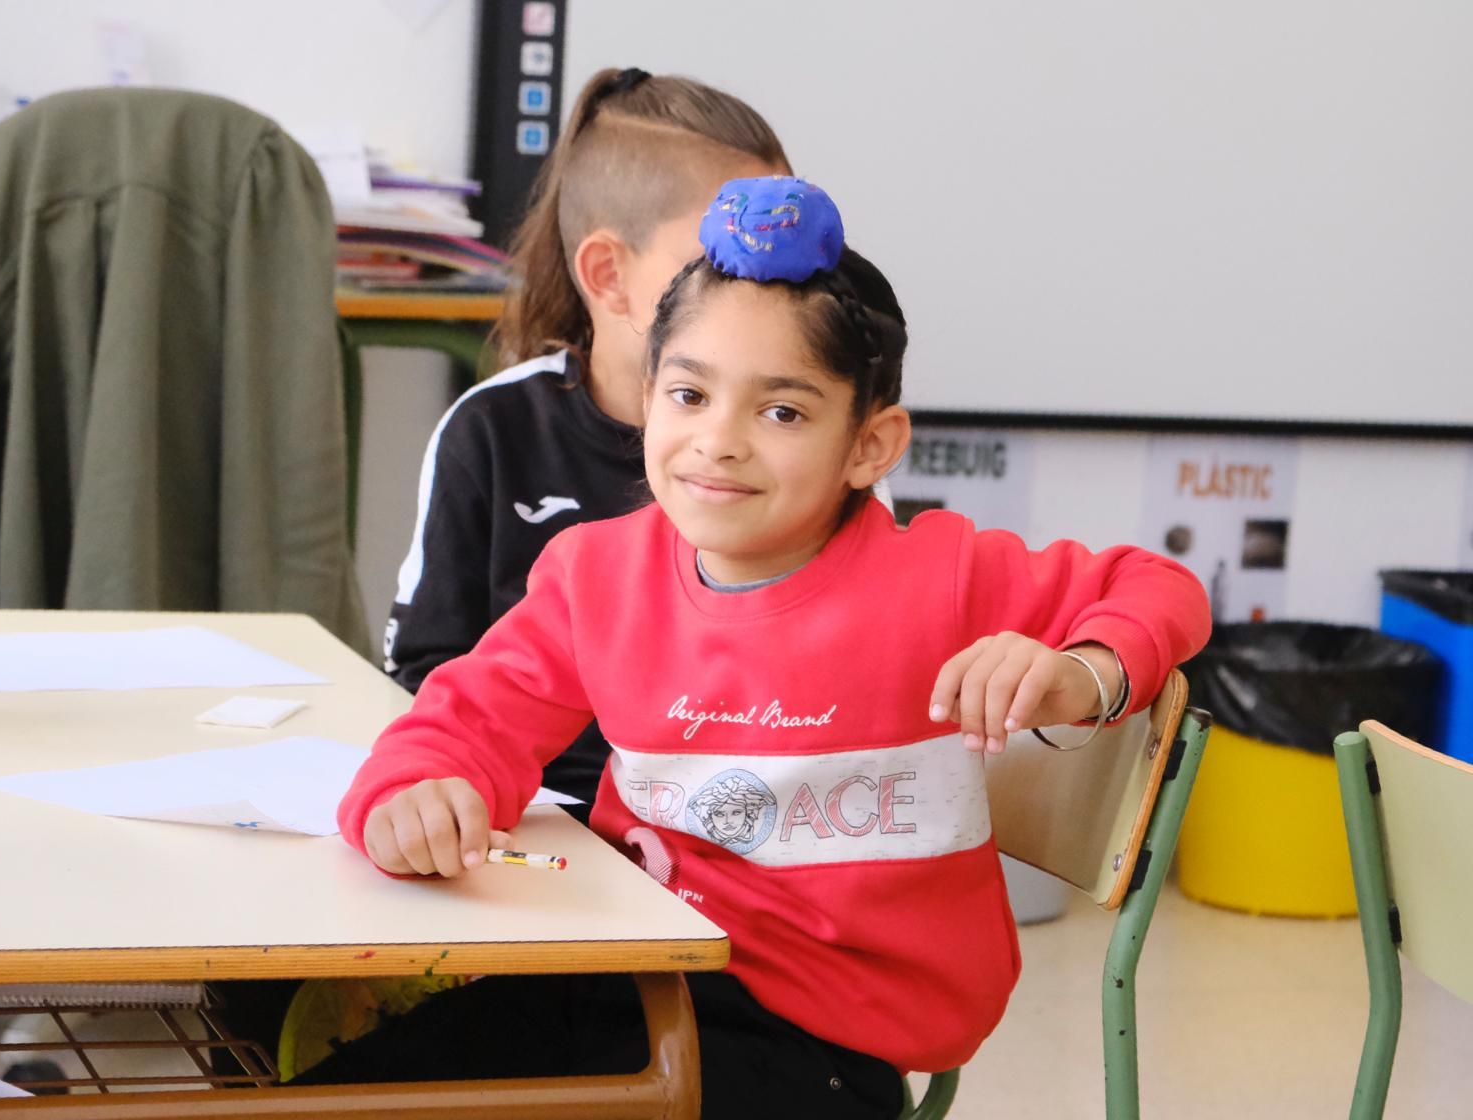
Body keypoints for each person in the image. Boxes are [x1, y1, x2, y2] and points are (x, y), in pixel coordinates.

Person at [311, 177, 1212, 1118]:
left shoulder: (937, 577)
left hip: (819, 1036)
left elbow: (1161, 586)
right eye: (690, 394)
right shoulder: (595, 575)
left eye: (781, 412)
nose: (718, 442)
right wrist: (418, 788)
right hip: (626, 972)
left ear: (868, 445)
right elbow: (470, 717)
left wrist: (1086, 672)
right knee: (343, 1099)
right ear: (647, 401)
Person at [382, 67, 790, 807]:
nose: (765, 293)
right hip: (529, 819)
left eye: (782, 262)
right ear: (608, 274)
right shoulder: (493, 428)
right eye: (726, 259)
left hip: (730, 831)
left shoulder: (812, 446)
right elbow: (424, 670)